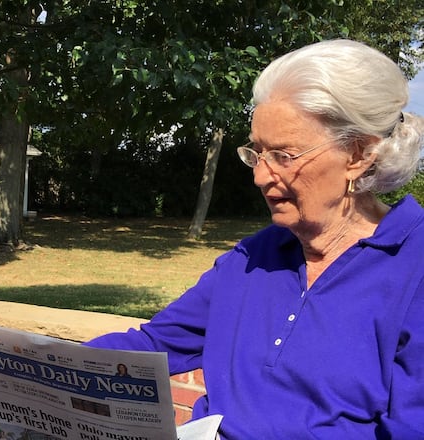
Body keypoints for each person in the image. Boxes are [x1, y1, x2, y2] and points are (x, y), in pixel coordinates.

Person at [86, 39, 424, 439]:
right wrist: (45, 366)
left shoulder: (413, 266)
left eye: (284, 156)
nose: (260, 176)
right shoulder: (254, 255)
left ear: (358, 155)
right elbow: (155, 346)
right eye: (257, 153)